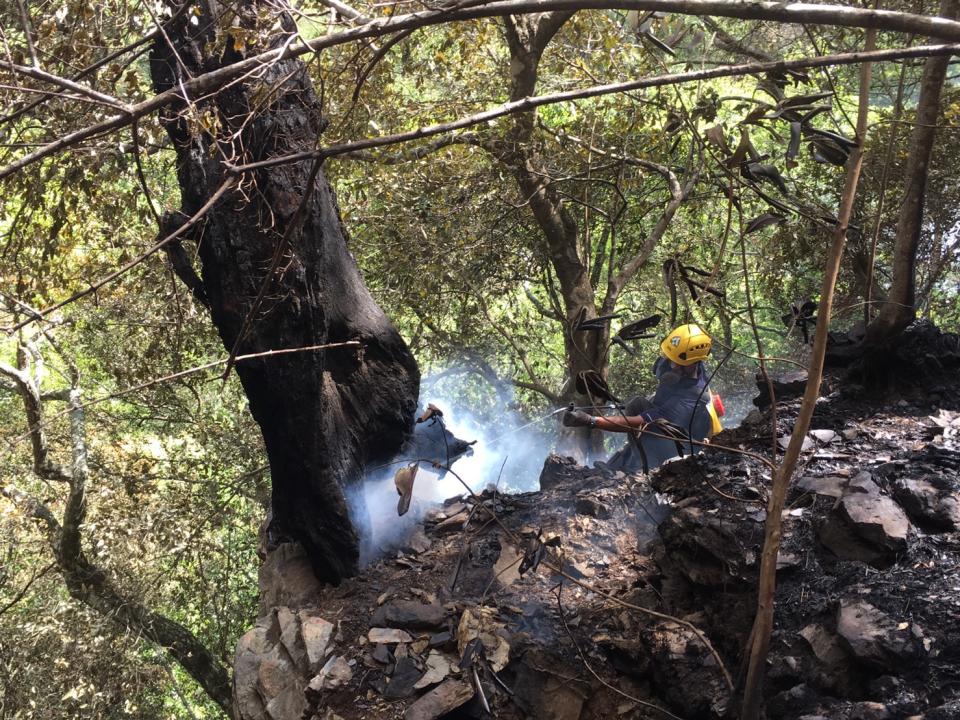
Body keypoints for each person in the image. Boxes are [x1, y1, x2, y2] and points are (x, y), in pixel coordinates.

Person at [563, 323, 714, 472]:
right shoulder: (680, 360)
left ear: (694, 363)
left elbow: (635, 422)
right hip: (669, 420)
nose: (671, 365)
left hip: (681, 445)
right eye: (670, 359)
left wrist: (591, 421)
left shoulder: (692, 397)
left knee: (639, 411)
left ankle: (640, 468)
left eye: (678, 364)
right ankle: (628, 459)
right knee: (638, 406)